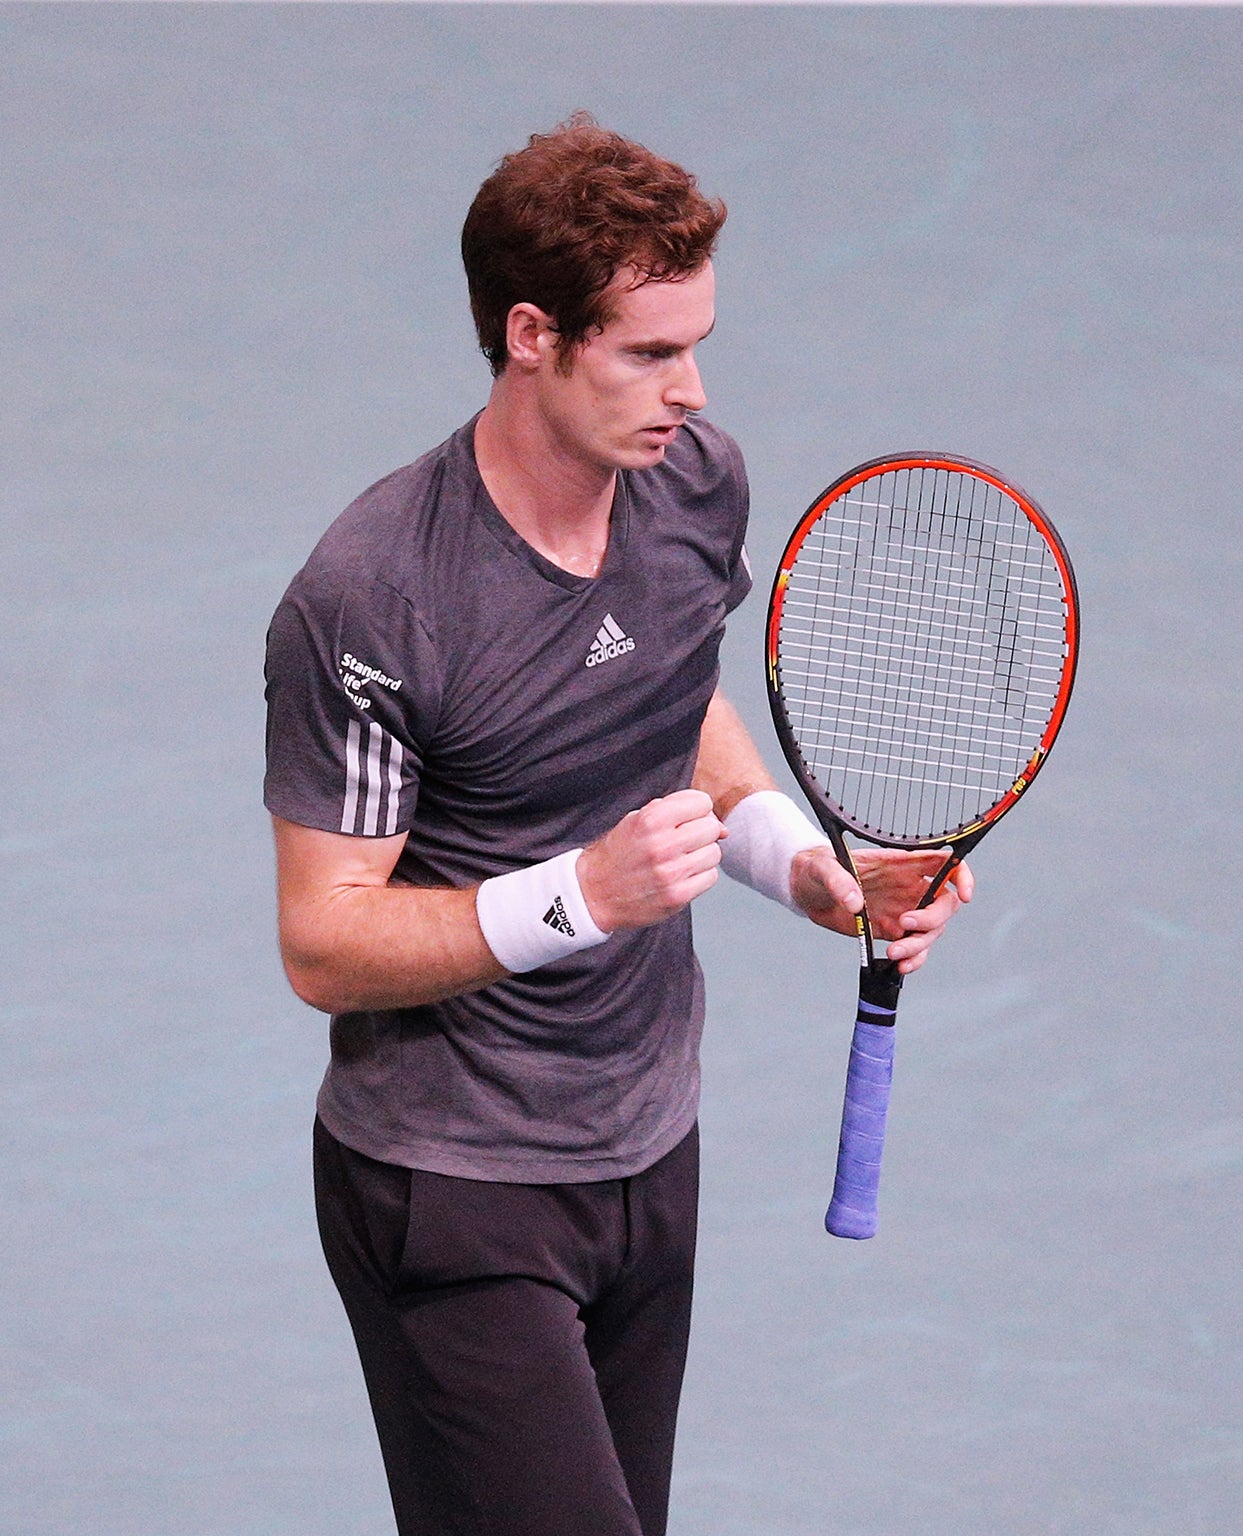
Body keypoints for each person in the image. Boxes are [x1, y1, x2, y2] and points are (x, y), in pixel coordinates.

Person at [261, 113, 972, 1536]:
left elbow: (673, 697)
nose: (691, 392)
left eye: (698, 344)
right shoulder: (374, 601)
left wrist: (814, 875)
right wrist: (578, 894)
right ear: (533, 335)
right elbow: (324, 945)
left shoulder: (689, 485)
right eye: (650, 352)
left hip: (649, 1153)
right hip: (452, 1191)